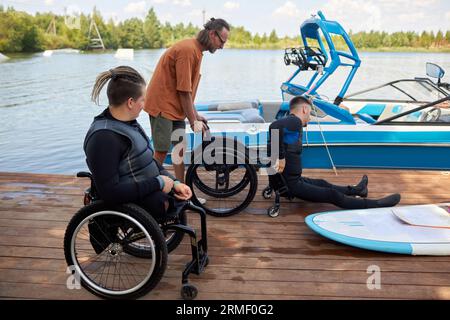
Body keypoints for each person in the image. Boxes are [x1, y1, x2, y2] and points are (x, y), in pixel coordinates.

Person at [84, 66, 193, 222]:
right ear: (130, 102)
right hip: (125, 202)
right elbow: (110, 193)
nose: (144, 104)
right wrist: (159, 182)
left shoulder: (129, 124)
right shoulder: (103, 138)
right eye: (143, 99)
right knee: (165, 203)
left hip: (143, 187)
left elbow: (150, 162)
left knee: (179, 198)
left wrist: (175, 182)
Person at [268, 96, 401, 209]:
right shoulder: (295, 121)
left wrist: (278, 157)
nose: (310, 117)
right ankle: (376, 204)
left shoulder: (291, 126)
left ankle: (358, 190)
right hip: (292, 186)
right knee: (332, 195)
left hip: (291, 180)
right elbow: (274, 127)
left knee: (323, 183)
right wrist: (280, 157)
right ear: (304, 109)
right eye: (310, 113)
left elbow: (279, 136)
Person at [144, 18, 230, 183]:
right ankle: (148, 189)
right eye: (222, 41)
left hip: (176, 108)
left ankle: (181, 190)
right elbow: (183, 90)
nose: (222, 46)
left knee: (179, 149)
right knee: (161, 150)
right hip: (162, 106)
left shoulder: (197, 51)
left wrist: (196, 116)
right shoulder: (188, 50)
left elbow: (187, 91)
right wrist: (193, 122)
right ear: (212, 34)